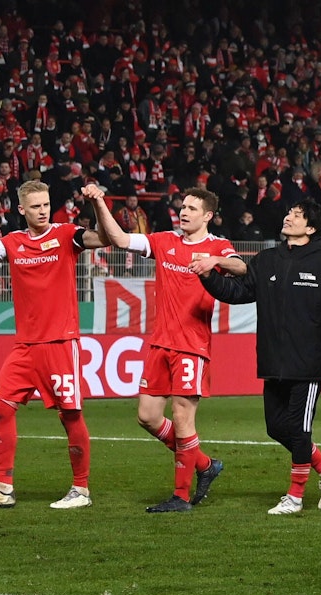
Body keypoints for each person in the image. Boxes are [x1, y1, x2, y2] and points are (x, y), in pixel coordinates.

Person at [194, 199, 321, 515]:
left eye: (296, 214)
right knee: (276, 427)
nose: (288, 216)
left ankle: (294, 496)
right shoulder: (265, 260)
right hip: (273, 360)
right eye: (290, 212)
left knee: (299, 428)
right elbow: (238, 293)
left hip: (309, 362)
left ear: (311, 227)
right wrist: (208, 274)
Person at [88, 185, 232, 512]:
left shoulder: (218, 246)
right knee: (148, 417)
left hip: (191, 347)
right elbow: (122, 240)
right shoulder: (164, 241)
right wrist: (99, 202)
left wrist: (214, 260)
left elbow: (240, 268)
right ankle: (206, 465)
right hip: (159, 344)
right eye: (183, 206)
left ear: (208, 215)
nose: (184, 211)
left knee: (183, 420)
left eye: (192, 208)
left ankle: (181, 497)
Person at [0, 181, 112, 510]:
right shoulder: (12, 243)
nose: (43, 210)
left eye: (46, 204)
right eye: (36, 206)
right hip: (24, 346)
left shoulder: (67, 235)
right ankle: (3, 487)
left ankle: (81, 490)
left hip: (60, 343)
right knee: (0, 407)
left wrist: (97, 204)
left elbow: (106, 239)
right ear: (21, 209)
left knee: (70, 415)